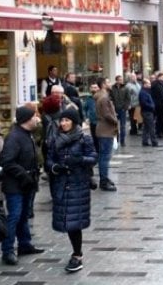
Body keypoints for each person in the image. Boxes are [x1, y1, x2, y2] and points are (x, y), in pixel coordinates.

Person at [45, 109, 97, 273]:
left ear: (74, 122)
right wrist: (54, 167)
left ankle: (77, 255)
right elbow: (49, 160)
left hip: (77, 185)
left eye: (67, 120)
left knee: (74, 223)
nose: (63, 123)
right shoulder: (55, 139)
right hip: (61, 184)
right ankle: (76, 253)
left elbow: (93, 157)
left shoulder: (84, 138)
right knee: (67, 221)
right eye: (62, 120)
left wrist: (80, 160)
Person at [0, 106, 44, 265]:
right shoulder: (14, 137)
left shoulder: (27, 135)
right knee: (14, 216)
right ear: (27, 119)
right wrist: (23, 175)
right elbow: (7, 161)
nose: (37, 119)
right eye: (34, 116)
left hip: (27, 183)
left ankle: (24, 244)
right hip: (15, 185)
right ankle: (7, 250)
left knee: (24, 215)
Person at [94, 78, 119, 192]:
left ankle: (105, 178)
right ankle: (103, 181)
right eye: (108, 82)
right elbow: (106, 114)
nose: (110, 84)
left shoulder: (103, 96)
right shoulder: (103, 98)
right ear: (103, 85)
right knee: (104, 157)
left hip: (105, 129)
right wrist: (115, 121)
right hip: (105, 130)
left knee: (104, 156)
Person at [110, 75, 130, 147]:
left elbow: (128, 98)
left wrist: (125, 107)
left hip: (122, 109)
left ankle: (122, 140)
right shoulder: (112, 88)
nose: (121, 81)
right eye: (120, 80)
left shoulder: (125, 88)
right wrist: (112, 106)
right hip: (114, 109)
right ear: (117, 80)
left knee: (122, 126)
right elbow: (110, 97)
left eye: (122, 79)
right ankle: (116, 139)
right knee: (115, 125)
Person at [139, 79, 159, 147]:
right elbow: (144, 103)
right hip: (147, 111)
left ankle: (145, 141)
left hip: (147, 111)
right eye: (148, 84)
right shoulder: (143, 93)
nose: (150, 85)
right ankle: (154, 142)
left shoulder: (146, 92)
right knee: (151, 127)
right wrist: (152, 106)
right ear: (144, 84)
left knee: (146, 127)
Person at [152, 73, 163, 139]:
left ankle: (160, 132)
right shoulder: (158, 84)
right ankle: (161, 133)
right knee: (160, 119)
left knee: (160, 119)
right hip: (160, 105)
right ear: (159, 77)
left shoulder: (159, 84)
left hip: (158, 104)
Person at [83, 83, 100, 153]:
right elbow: (84, 109)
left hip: (101, 122)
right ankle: (97, 152)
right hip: (92, 121)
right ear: (90, 89)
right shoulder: (88, 98)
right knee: (94, 138)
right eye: (92, 87)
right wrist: (86, 117)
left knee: (101, 138)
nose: (94, 89)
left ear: (98, 88)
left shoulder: (101, 97)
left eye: (95, 87)